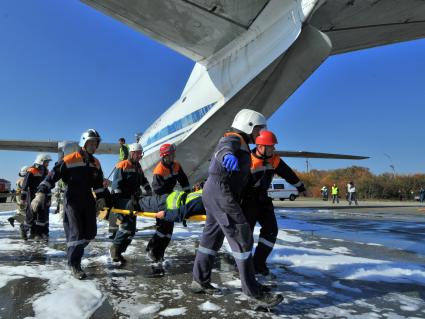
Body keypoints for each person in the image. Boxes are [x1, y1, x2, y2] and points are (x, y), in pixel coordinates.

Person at [192, 108, 283, 309]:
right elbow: (224, 148)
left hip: (216, 191)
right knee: (242, 237)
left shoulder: (242, 143)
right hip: (221, 191)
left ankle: (199, 281)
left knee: (211, 238)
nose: (260, 134)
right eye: (258, 129)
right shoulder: (233, 138)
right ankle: (253, 291)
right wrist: (226, 157)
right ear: (248, 125)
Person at [32, 129, 110, 279]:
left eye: (96, 143)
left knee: (90, 233)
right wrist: (41, 193)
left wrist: (101, 198)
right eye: (91, 142)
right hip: (72, 199)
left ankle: (74, 250)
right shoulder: (69, 160)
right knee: (76, 233)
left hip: (88, 199)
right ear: (83, 143)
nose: (94, 146)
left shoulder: (96, 163)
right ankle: (74, 264)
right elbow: (52, 176)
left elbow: (98, 184)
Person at [242, 130, 305, 276]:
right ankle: (243, 267)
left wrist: (300, 186)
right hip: (247, 202)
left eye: (273, 147)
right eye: (270, 147)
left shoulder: (274, 159)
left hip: (263, 200)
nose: (273, 149)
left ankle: (258, 263)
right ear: (260, 146)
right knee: (246, 236)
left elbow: (288, 173)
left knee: (271, 231)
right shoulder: (247, 160)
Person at [146, 143, 190, 263]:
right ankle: (152, 250)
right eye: (170, 155)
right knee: (162, 228)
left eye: (173, 155)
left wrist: (188, 192)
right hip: (161, 200)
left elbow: (184, 180)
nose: (172, 157)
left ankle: (159, 253)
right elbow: (157, 190)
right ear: (164, 156)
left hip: (171, 199)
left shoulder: (176, 166)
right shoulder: (159, 171)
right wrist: (171, 196)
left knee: (169, 231)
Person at [109, 143, 152, 264]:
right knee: (125, 227)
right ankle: (115, 250)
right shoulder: (122, 165)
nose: (140, 156)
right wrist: (119, 202)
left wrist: (148, 190)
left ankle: (119, 252)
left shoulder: (138, 167)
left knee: (131, 231)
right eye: (138, 154)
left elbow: (143, 180)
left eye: (141, 154)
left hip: (133, 201)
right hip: (122, 200)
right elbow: (116, 186)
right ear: (132, 153)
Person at [21, 154, 52, 240]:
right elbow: (25, 185)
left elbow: (48, 186)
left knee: (42, 216)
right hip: (32, 196)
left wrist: (49, 198)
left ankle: (38, 233)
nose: (48, 164)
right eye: (46, 162)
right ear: (41, 161)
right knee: (31, 216)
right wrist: (23, 198)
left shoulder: (46, 172)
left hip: (44, 197)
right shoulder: (31, 171)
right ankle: (24, 229)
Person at [7, 166, 29, 240]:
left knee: (22, 213)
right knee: (26, 214)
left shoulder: (19, 180)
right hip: (23, 198)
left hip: (19, 198)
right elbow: (24, 189)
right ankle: (22, 228)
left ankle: (15, 220)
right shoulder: (24, 180)